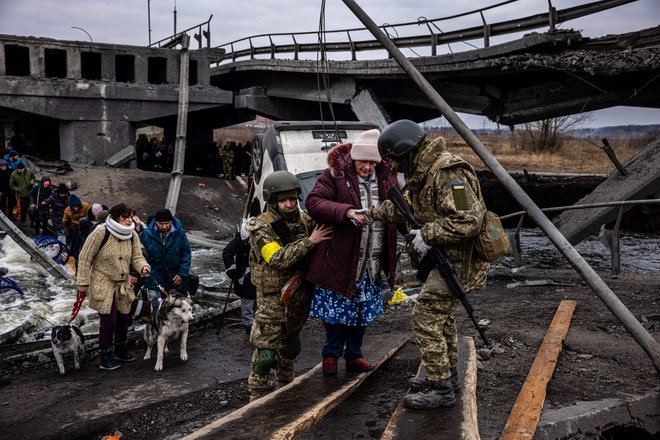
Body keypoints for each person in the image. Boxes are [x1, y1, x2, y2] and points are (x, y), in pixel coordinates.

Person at [369, 119, 489, 410]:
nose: (394, 168)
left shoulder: (450, 173)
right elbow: (406, 207)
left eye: (395, 160)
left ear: (406, 152)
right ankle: (445, 377)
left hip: (461, 262)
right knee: (440, 317)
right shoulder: (423, 173)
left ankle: (442, 388)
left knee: (424, 316)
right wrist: (369, 213)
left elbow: (469, 220)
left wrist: (427, 233)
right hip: (446, 259)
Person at [305, 129, 399, 375]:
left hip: (372, 261)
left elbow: (399, 206)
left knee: (362, 310)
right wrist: (345, 211)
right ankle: (331, 354)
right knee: (337, 311)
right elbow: (314, 202)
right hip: (341, 258)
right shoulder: (334, 175)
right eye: (362, 161)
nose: (367, 167)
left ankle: (354, 354)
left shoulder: (387, 178)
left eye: (372, 162)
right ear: (354, 158)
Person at [245, 170, 332, 401]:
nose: (288, 204)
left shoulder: (304, 220)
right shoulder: (260, 228)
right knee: (266, 355)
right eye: (283, 200)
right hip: (272, 300)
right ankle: (257, 397)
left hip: (298, 297)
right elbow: (277, 259)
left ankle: (286, 389)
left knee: (291, 347)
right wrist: (310, 241)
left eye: (292, 199)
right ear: (272, 201)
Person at [76, 203, 150, 370]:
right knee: (109, 321)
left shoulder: (132, 234)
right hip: (103, 281)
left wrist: (143, 267)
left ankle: (120, 350)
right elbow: (85, 257)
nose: (129, 220)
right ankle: (105, 356)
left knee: (124, 319)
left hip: (123, 283)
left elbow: (137, 257)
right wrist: (82, 282)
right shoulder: (100, 232)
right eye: (126, 217)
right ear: (116, 217)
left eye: (131, 216)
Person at [140, 208, 192, 300]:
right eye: (161, 224)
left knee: (173, 307)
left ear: (171, 221)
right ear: (156, 222)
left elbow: (186, 254)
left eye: (167, 223)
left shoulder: (180, 233)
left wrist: (181, 273)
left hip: (173, 278)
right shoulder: (146, 234)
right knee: (155, 306)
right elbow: (139, 255)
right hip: (153, 278)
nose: (164, 226)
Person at [222, 219, 257, 334]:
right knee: (247, 306)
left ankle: (259, 329)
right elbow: (227, 252)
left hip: (261, 276)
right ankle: (250, 329)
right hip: (245, 278)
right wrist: (232, 270)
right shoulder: (241, 238)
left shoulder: (263, 234)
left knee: (260, 306)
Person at [63, 194, 90, 265]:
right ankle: (75, 259)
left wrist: (76, 222)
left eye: (77, 206)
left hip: (84, 227)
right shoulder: (67, 211)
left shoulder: (86, 206)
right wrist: (67, 233)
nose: (76, 208)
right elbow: (65, 222)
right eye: (74, 207)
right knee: (75, 244)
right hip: (73, 229)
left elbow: (89, 217)